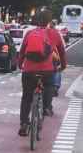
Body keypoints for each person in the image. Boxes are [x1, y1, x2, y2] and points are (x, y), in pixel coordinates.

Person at [17, 8, 66, 136]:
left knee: (26, 97)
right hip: (47, 71)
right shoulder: (54, 34)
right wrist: (63, 66)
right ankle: (46, 107)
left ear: (37, 20)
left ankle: (23, 124)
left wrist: (20, 64)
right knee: (49, 85)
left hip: (29, 70)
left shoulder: (30, 33)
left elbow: (22, 51)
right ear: (50, 21)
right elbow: (61, 52)